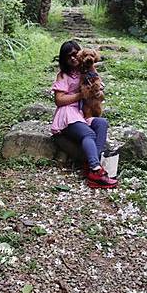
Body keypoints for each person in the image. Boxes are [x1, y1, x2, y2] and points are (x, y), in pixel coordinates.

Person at [51, 40, 118, 189]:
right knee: (89, 134)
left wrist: (98, 93)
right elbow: (59, 100)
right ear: (64, 59)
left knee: (102, 123)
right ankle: (95, 170)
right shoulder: (63, 76)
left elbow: (100, 95)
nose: (74, 58)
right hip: (68, 113)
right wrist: (81, 95)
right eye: (69, 57)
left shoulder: (88, 71)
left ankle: (89, 165)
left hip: (82, 112)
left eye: (76, 54)